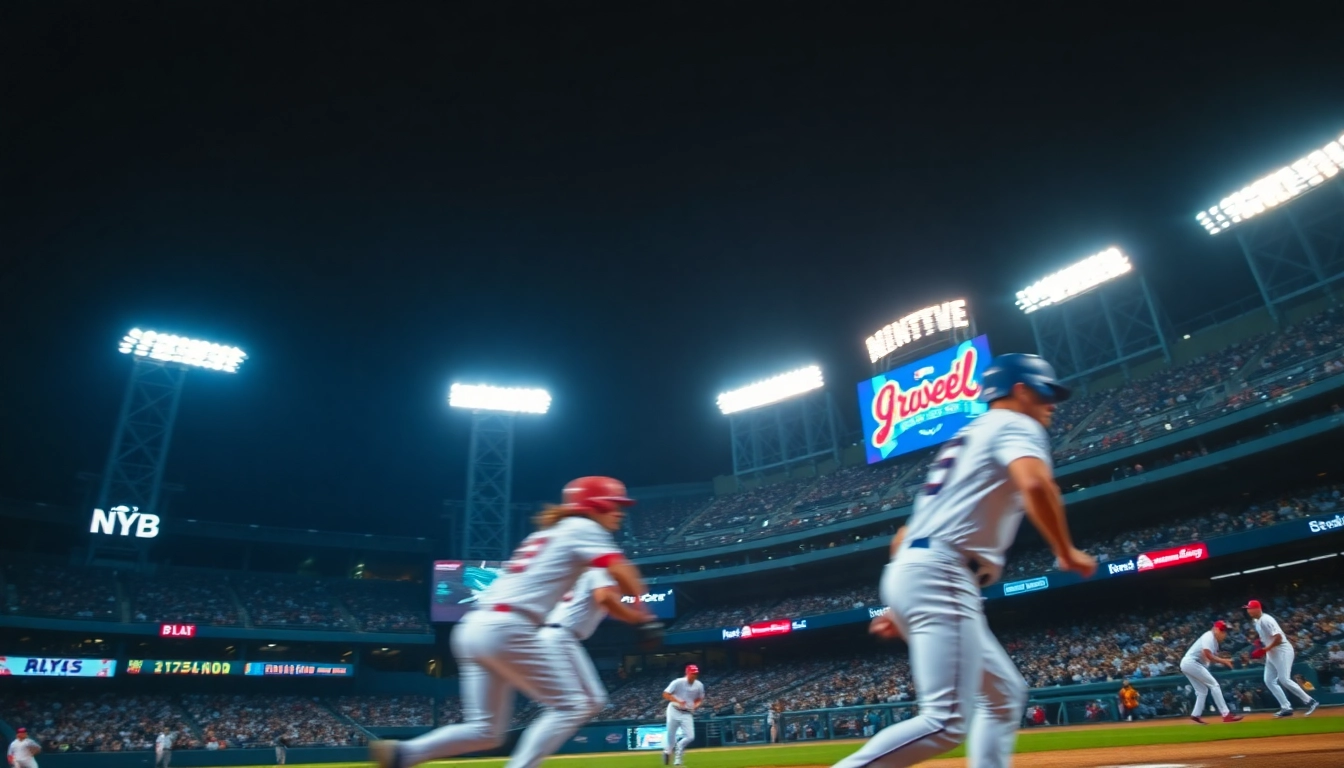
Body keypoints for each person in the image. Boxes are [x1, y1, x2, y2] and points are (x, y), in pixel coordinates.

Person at [833, 353, 1096, 768]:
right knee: (947, 721)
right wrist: (1065, 551)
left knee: (1004, 694)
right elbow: (1036, 483)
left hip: (919, 568)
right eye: (1046, 393)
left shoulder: (969, 434)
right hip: (943, 571)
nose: (1053, 404)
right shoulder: (1016, 423)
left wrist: (902, 604)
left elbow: (904, 535)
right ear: (1020, 390)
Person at [370, 477, 658, 768]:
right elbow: (621, 570)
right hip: (509, 628)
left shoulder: (547, 534)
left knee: (486, 732)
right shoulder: (583, 527)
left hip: (474, 628)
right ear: (594, 505)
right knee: (574, 705)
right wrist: (645, 617)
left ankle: (404, 754)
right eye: (615, 505)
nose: (620, 512)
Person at [504, 567, 651, 768]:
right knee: (572, 707)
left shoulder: (595, 575)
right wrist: (637, 618)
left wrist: (637, 607)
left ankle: (532, 752)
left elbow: (618, 593)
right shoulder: (598, 572)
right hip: (557, 637)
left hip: (565, 638)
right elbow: (604, 598)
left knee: (595, 701)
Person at [1244, 599, 1319, 717]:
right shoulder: (1256, 621)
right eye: (1247, 608)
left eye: (1250, 608)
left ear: (1257, 609)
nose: (1248, 610)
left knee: (1284, 679)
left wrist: (1265, 649)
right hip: (1272, 653)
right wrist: (1260, 643)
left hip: (1282, 650)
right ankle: (1286, 707)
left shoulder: (1266, 619)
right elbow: (1266, 636)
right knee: (1269, 680)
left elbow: (1278, 638)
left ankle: (1310, 701)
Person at [1179, 620, 1243, 724]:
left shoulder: (1214, 642)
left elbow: (1208, 659)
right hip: (1191, 663)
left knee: (1202, 690)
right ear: (1215, 629)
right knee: (1214, 685)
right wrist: (1224, 661)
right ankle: (1226, 714)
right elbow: (1208, 655)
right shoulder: (1209, 636)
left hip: (1189, 664)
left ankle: (1196, 715)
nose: (1224, 634)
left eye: (1225, 631)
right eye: (1222, 631)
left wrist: (1226, 661)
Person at [661, 664, 705, 766]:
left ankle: (678, 751)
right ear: (687, 672)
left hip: (687, 713)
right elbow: (665, 694)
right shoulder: (678, 682)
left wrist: (695, 705)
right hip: (674, 710)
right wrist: (677, 700)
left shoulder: (699, 685)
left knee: (690, 737)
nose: (694, 675)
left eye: (695, 673)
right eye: (692, 673)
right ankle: (668, 751)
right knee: (671, 735)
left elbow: (700, 698)